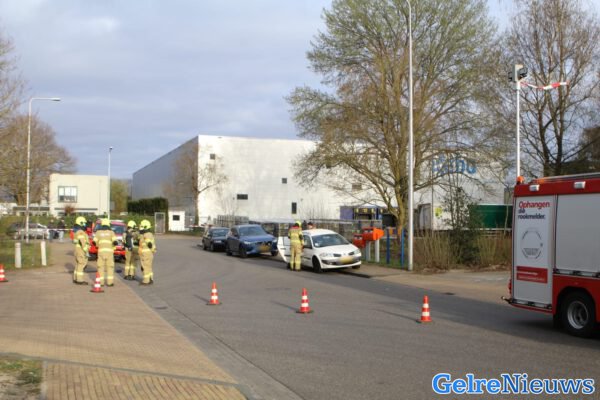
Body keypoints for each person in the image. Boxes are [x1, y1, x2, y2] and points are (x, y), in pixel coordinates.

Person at [93, 218, 118, 287]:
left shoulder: (98, 232)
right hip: (109, 252)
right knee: (110, 267)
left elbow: (94, 241)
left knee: (100, 267)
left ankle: (101, 282)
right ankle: (110, 283)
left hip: (101, 252)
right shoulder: (111, 232)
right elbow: (115, 241)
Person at [138, 219, 156, 285]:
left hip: (145, 254)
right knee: (149, 267)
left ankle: (146, 281)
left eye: (141, 226)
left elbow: (149, 242)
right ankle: (150, 279)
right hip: (149, 253)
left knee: (145, 267)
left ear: (145, 227)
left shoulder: (146, 234)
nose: (140, 228)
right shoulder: (149, 234)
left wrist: (148, 243)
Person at [72, 216, 89, 285]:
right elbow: (82, 242)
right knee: (81, 264)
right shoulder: (80, 232)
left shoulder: (76, 231)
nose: (85, 225)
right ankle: (79, 280)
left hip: (77, 250)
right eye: (84, 223)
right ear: (81, 223)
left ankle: (75, 278)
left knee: (78, 264)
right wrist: (86, 251)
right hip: (81, 250)